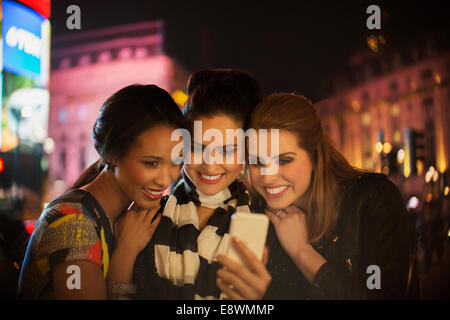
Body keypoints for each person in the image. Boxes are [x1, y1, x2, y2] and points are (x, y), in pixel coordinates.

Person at [218, 93, 421, 299]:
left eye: (285, 160)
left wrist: (302, 252)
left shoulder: (372, 198)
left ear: (315, 156)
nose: (268, 177)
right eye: (257, 162)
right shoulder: (257, 218)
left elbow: (379, 294)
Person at [18, 84, 188, 299]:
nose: (166, 179)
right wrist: (124, 256)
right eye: (151, 163)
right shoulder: (75, 224)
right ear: (112, 154)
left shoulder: (122, 217)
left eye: (176, 162)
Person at [111, 69, 269, 299]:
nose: (210, 165)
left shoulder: (266, 224)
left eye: (227, 151)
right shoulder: (144, 219)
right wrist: (124, 254)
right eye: (197, 147)